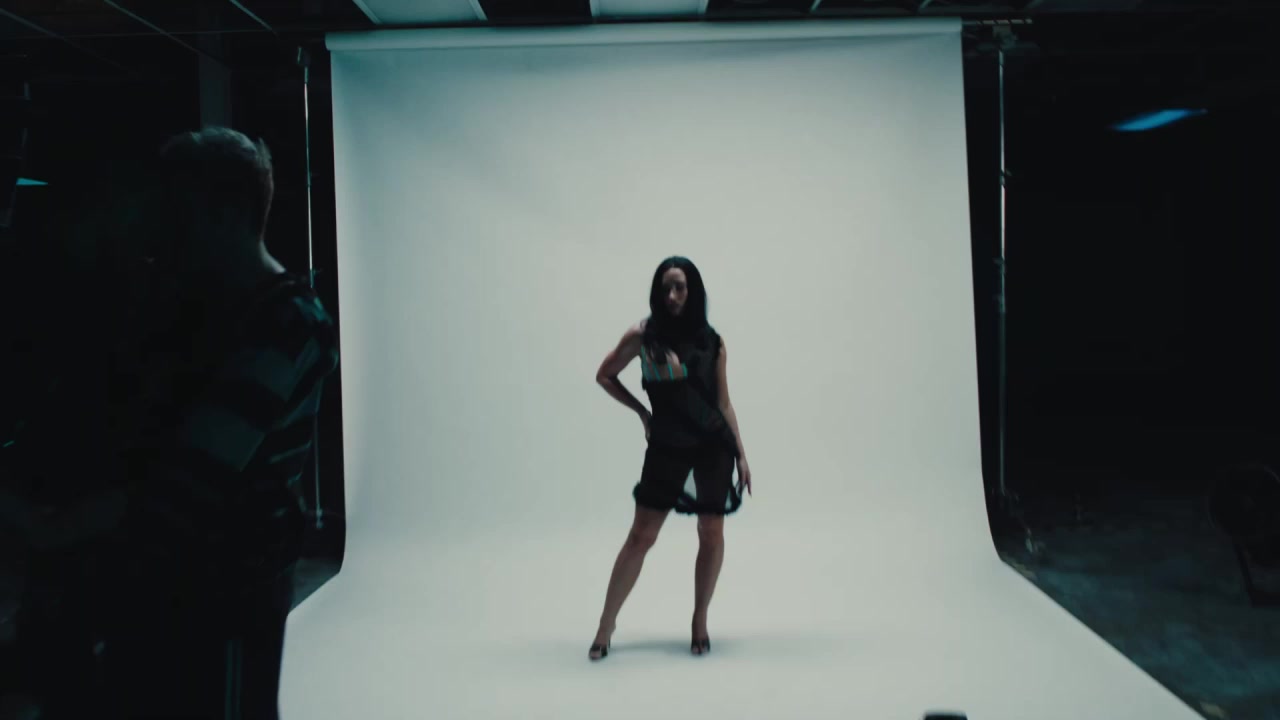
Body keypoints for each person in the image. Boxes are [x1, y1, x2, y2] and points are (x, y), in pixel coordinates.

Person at [4, 127, 340, 720]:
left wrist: (55, 526)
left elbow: (189, 479)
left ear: (228, 213)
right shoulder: (209, 313)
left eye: (180, 212)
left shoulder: (285, 323)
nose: (165, 232)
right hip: (180, 589)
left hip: (223, 591)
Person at [589, 256, 752, 661]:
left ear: (693, 291)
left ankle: (699, 620)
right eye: (665, 288)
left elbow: (723, 403)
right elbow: (605, 374)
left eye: (680, 287)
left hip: (713, 446)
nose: (672, 295)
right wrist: (642, 412)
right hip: (666, 445)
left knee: (711, 531)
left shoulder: (713, 341)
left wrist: (742, 455)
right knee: (641, 536)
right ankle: (605, 625)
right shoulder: (644, 336)